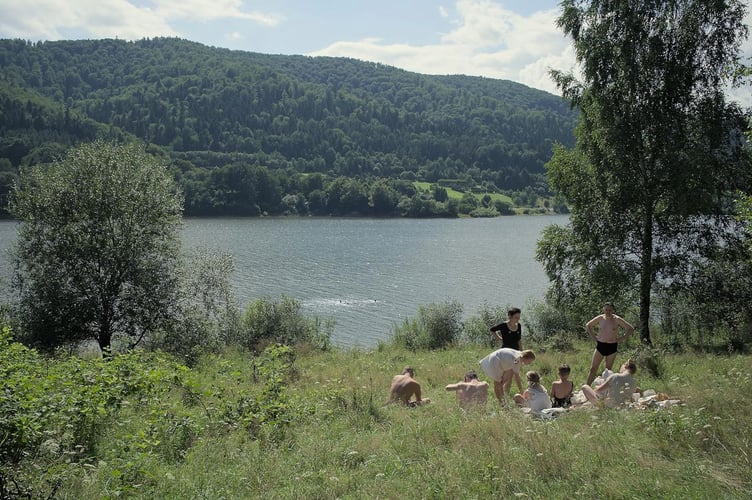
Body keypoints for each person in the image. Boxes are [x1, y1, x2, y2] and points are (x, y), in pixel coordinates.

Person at [585, 302, 635, 386]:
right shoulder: (600, 318)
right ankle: (586, 387)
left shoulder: (617, 319)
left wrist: (621, 338)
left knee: (607, 371)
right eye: (606, 310)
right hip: (600, 345)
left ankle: (605, 390)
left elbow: (630, 329)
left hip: (612, 346)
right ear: (603, 310)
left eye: (610, 310)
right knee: (593, 368)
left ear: (613, 310)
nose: (608, 312)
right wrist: (594, 337)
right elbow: (588, 325)